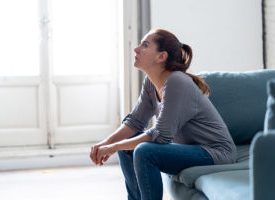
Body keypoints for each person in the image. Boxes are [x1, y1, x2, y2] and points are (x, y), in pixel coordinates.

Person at [90, 29, 237, 200]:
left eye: (144, 45)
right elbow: (135, 122)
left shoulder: (177, 81)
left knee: (144, 151)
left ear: (161, 57)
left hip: (216, 152)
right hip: (191, 149)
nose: (136, 49)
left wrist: (114, 147)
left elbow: (160, 136)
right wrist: (106, 143)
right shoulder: (151, 83)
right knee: (127, 148)